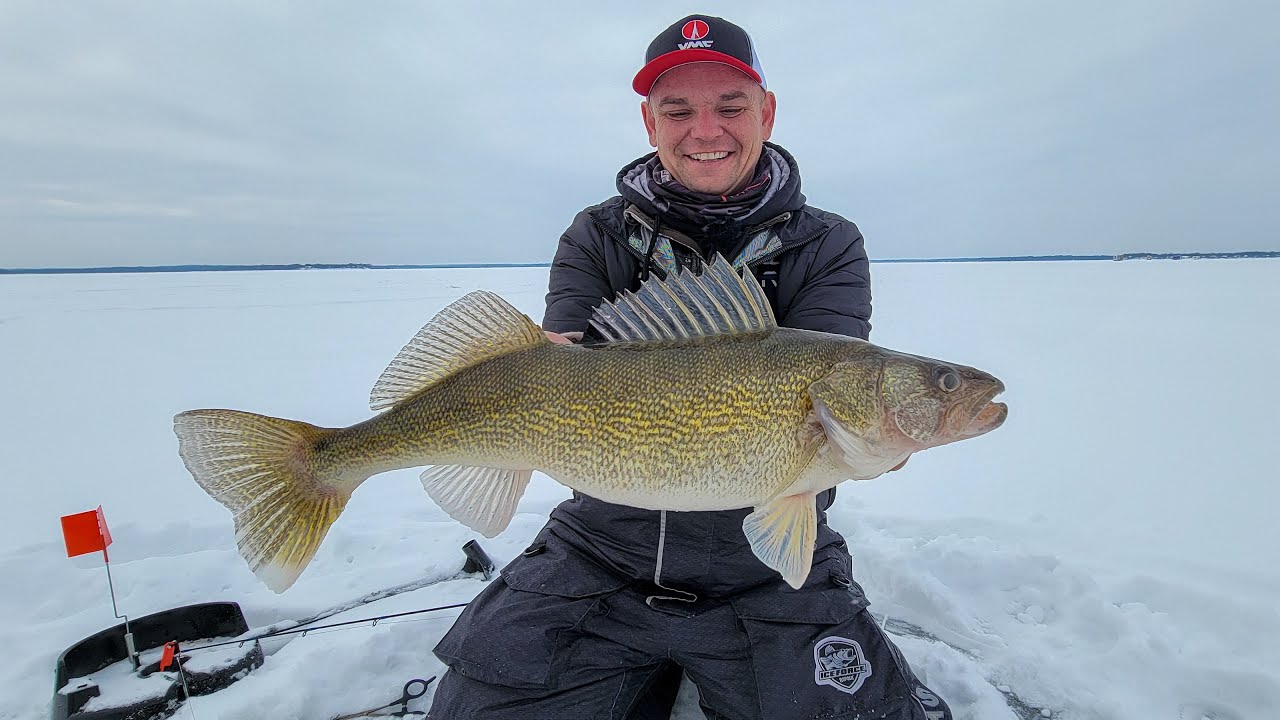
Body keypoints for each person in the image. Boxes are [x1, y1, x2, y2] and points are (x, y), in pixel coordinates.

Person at [427, 15, 952, 720]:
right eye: (678, 110)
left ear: (767, 111)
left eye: (731, 107)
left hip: (766, 576)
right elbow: (562, 354)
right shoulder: (596, 233)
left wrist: (889, 438)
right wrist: (536, 372)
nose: (706, 130)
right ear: (649, 122)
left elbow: (826, 376)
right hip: (598, 552)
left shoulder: (827, 244)